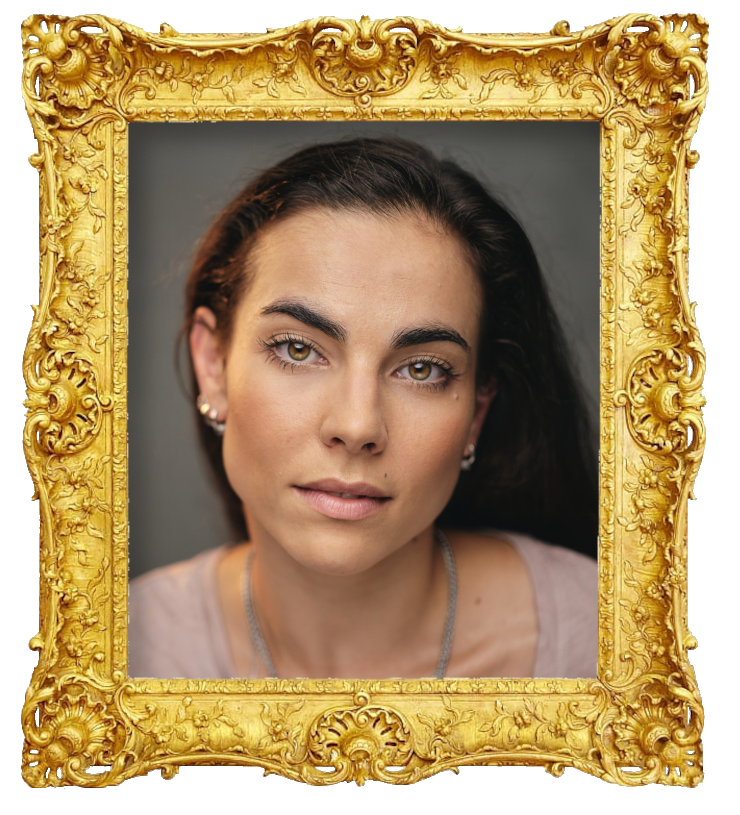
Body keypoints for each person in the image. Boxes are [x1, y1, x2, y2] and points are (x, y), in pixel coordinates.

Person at [129, 136, 598, 680]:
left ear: (476, 408)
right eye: (297, 349)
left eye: (422, 369)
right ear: (213, 365)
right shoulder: (117, 655)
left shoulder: (608, 645)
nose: (356, 427)